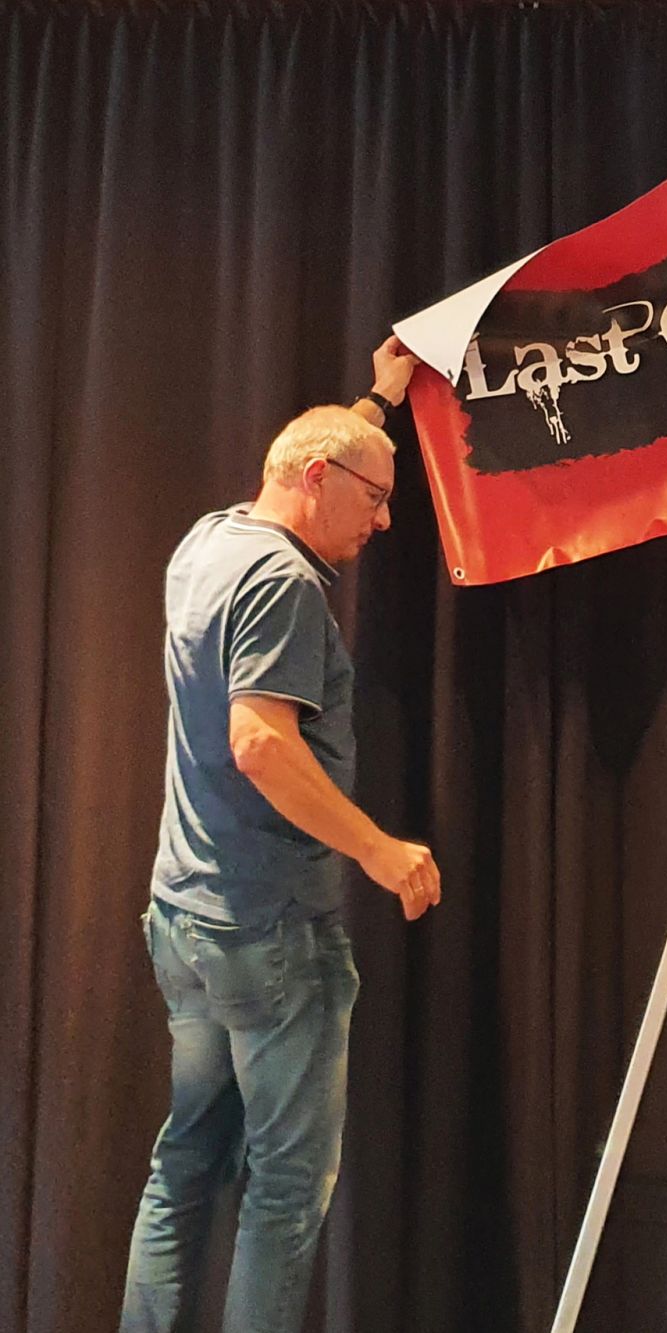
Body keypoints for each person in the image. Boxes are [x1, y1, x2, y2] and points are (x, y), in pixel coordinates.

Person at [122, 336, 443, 1333]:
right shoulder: (285, 583)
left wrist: (377, 403)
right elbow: (260, 744)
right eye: (375, 498)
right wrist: (377, 848)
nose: (384, 520)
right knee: (287, 1190)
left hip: (188, 920)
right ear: (316, 480)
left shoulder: (211, 539)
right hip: (268, 932)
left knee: (184, 1163)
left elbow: (319, 452)